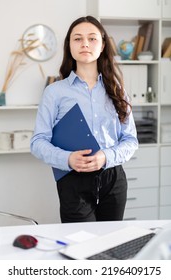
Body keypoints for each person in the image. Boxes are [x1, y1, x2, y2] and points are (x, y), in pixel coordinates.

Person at [30, 15, 138, 223]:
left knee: (110, 244)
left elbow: (130, 140)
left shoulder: (117, 90)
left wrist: (105, 156)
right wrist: (67, 159)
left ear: (103, 44)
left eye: (92, 38)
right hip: (72, 180)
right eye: (77, 38)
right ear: (69, 45)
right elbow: (38, 142)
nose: (85, 44)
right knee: (79, 245)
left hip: (112, 179)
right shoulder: (54, 92)